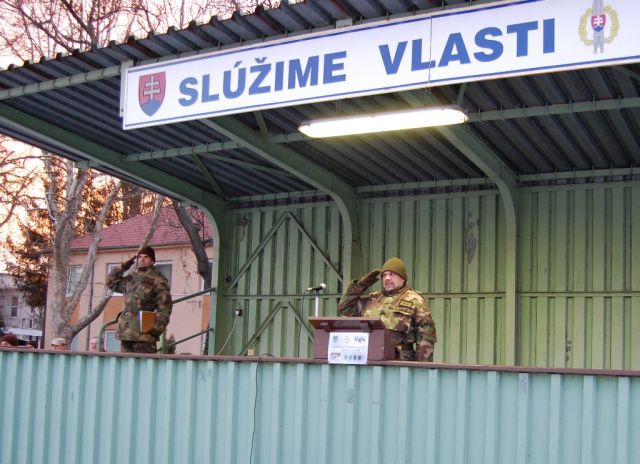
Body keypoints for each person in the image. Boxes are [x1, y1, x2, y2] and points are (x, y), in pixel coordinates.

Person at [338, 257, 437, 361]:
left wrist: (420, 368)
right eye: (384, 275)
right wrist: (360, 285)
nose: (387, 278)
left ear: (403, 278)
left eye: (392, 274)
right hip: (369, 359)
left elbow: (426, 337)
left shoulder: (415, 300)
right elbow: (345, 308)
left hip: (399, 363)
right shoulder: (372, 298)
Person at [106, 246, 173, 354]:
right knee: (125, 364)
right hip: (127, 332)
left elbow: (165, 306)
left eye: (146, 257)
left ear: (152, 261)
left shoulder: (158, 280)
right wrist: (122, 267)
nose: (142, 260)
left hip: (144, 334)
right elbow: (111, 283)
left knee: (144, 363)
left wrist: (156, 329)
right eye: (140, 257)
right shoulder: (131, 278)